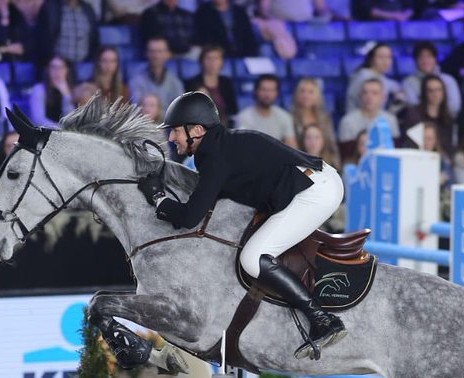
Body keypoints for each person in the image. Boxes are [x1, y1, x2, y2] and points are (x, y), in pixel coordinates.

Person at [139, 91, 346, 359]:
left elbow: (190, 217)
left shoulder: (215, 157)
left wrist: (157, 199)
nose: (170, 138)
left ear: (197, 130)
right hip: (314, 182)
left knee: (253, 257)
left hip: (315, 193)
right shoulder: (216, 148)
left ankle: (322, 319)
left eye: (175, 131)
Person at [338, 77, 399, 158]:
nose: (369, 97)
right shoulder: (348, 121)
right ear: (360, 96)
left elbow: (395, 151)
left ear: (383, 97)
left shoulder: (391, 120)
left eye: (374, 93)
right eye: (365, 92)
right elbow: (346, 154)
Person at [401, 42, 461, 118]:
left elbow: (454, 106)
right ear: (415, 61)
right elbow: (412, 105)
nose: (425, 61)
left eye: (429, 56)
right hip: (420, 121)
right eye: (421, 57)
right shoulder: (408, 82)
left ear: (435, 59)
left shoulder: (448, 80)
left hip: (445, 120)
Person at [235, 74, 296, 146]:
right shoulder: (244, 117)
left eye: (271, 90)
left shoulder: (284, 116)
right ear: (256, 91)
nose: (267, 94)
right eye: (264, 90)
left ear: (277, 93)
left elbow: (292, 147)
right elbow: (243, 147)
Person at [401, 74, 455, 155]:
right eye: (431, 91)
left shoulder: (448, 118)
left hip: (441, 160)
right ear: (424, 93)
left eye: (438, 90)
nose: (435, 94)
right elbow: (408, 143)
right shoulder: (413, 116)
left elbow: (449, 146)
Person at [184, 44, 237, 123]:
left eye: (216, 58)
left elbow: (233, 109)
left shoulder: (226, 82)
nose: (212, 62)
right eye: (208, 58)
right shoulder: (191, 83)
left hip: (224, 124)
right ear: (201, 61)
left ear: (222, 62)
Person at [129, 37, 183, 114]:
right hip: (144, 124)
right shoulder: (136, 81)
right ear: (146, 53)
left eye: (159, 51)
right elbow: (136, 109)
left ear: (168, 54)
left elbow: (179, 111)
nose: (156, 56)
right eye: (152, 51)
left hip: (167, 125)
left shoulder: (175, 83)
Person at [346, 42, 402, 113]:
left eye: (389, 57)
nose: (385, 61)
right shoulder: (363, 76)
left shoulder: (383, 78)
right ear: (371, 59)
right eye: (381, 57)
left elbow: (394, 87)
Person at [39, 0, 100, 66]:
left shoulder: (88, 9)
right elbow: (43, 39)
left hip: (83, 64)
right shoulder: (51, 8)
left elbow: (94, 37)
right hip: (59, 67)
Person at [192, 0, 258, 58]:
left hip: (243, 54)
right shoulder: (203, 12)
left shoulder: (239, 12)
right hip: (217, 56)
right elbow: (202, 38)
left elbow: (249, 36)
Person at [290, 77, 337, 153]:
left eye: (311, 92)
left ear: (317, 96)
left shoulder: (325, 118)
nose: (306, 95)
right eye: (302, 91)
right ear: (297, 95)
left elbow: (331, 144)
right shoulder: (290, 118)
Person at [29, 55, 73, 125]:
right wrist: (59, 129)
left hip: (65, 133)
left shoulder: (72, 90)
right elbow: (38, 119)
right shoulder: (39, 89)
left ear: (67, 70)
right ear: (48, 70)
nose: (57, 71)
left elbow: (71, 121)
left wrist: (66, 96)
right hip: (44, 133)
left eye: (61, 68)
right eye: (53, 67)